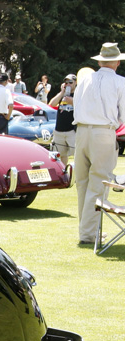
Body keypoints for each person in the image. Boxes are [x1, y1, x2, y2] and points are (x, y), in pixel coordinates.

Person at [73, 43, 125, 245]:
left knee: (83, 184)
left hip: (82, 131)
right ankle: (88, 233)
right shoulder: (120, 82)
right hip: (103, 132)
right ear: (118, 62)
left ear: (100, 60)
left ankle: (88, 231)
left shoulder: (85, 80)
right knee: (98, 184)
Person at [49, 74, 77, 167]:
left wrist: (72, 101)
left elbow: (83, 107)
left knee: (77, 154)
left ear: (75, 83)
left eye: (70, 82)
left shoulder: (78, 95)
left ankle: (77, 176)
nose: (68, 84)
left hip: (72, 130)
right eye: (66, 82)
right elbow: (52, 104)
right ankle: (64, 174)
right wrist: (62, 92)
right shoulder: (63, 94)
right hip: (59, 130)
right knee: (61, 155)